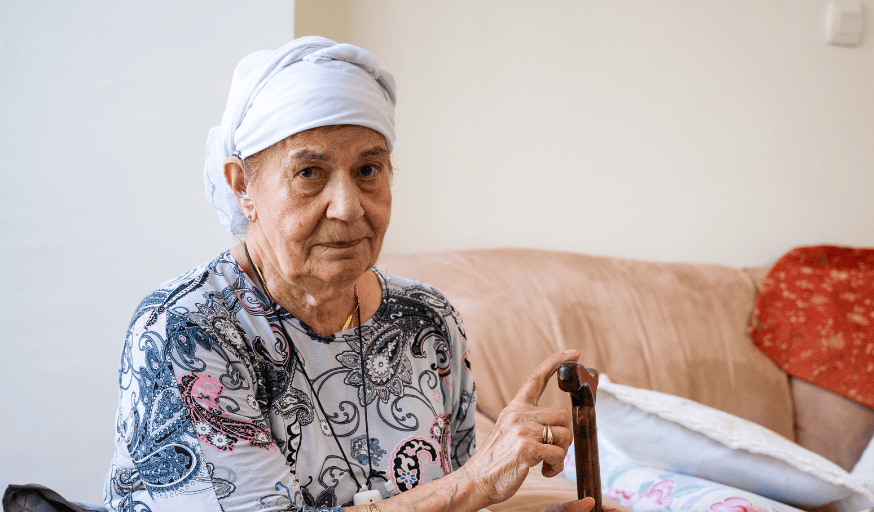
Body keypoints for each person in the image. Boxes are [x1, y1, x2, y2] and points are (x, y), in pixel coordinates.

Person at [102, 37, 601, 512]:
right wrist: (475, 483)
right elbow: (466, 488)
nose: (347, 207)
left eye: (368, 171)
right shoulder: (186, 332)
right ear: (241, 187)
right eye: (309, 173)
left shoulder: (426, 321)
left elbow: (456, 499)